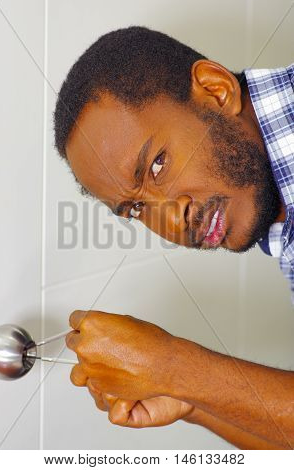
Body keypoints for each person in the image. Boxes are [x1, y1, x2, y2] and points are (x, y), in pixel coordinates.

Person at [53, 26, 294, 449]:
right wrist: (191, 400)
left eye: (157, 166)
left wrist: (180, 368)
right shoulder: (276, 214)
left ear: (217, 91)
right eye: (136, 208)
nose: (172, 220)